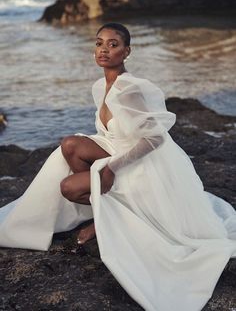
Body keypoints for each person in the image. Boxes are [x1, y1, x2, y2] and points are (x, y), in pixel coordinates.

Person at [0, 23, 235, 311]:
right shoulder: (101, 86)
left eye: (113, 44)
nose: (104, 50)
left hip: (142, 163)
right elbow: (113, 134)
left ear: (127, 51)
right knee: (71, 144)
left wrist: (111, 168)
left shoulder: (130, 89)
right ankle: (103, 209)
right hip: (118, 149)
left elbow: (154, 139)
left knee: (68, 187)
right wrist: (105, 160)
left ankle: (102, 219)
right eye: (99, 43)